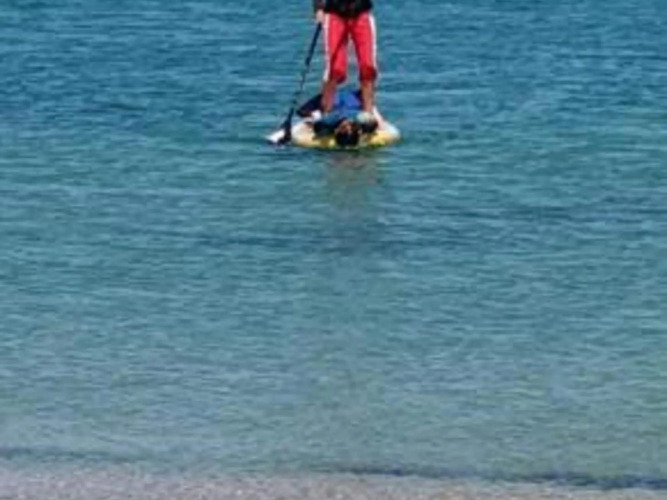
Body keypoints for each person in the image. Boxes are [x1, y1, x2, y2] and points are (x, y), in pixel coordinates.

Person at [312, 0, 378, 128]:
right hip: (335, 13)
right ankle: (327, 112)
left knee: (368, 66)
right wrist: (318, 8)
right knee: (335, 68)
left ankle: (369, 112)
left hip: (361, 11)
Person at [298, 87, 379, 147]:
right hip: (354, 99)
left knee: (305, 111)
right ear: (356, 130)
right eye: (351, 128)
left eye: (344, 128)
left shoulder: (329, 122)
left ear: (338, 131)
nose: (348, 125)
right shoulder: (360, 120)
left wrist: (313, 118)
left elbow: (316, 124)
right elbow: (372, 124)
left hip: (331, 101)